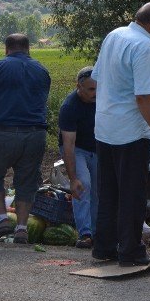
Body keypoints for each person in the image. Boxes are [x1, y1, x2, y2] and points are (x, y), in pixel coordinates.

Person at [92, 2, 150, 266]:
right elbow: (144, 96)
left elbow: (98, 78)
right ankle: (130, 251)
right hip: (131, 132)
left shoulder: (114, 35)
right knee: (132, 195)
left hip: (105, 128)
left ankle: (103, 248)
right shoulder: (144, 46)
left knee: (109, 192)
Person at [0, 33, 51, 245]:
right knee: (27, 180)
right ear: (29, 48)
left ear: (6, 49)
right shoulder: (42, 70)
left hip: (4, 132)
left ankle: (1, 220)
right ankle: (22, 229)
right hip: (36, 134)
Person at [59, 66, 98, 249]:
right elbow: (68, 145)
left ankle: (98, 232)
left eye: (98, 88)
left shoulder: (102, 100)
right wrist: (72, 179)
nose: (95, 93)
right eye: (91, 89)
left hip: (97, 149)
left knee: (99, 189)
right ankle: (85, 234)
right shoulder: (69, 107)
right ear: (79, 86)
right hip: (77, 149)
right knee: (83, 184)